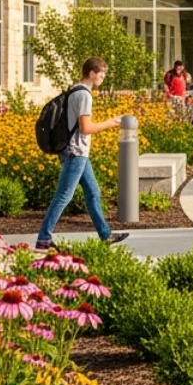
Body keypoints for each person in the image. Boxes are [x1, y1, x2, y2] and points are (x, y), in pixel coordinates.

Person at [36, 57, 129, 250]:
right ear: (92, 73)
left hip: (76, 152)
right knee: (64, 195)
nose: (103, 78)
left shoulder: (75, 90)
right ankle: (44, 238)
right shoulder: (84, 95)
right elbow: (85, 128)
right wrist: (112, 123)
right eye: (101, 74)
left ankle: (105, 235)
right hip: (75, 151)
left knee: (93, 192)